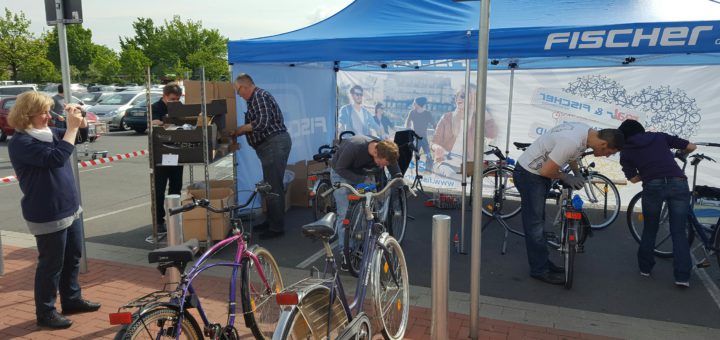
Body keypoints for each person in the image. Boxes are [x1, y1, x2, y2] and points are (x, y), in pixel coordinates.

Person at [7, 91, 101, 329]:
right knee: (51, 265)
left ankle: (71, 299)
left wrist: (81, 121)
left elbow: (77, 139)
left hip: (70, 207)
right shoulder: (21, 142)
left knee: (73, 257)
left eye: (49, 111)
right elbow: (56, 158)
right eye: (44, 113)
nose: (49, 116)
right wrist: (70, 129)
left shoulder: (48, 133)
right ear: (27, 115)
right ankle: (45, 312)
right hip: (47, 211)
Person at [513, 121, 624, 285]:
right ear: (603, 144)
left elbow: (572, 156)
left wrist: (577, 173)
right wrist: (567, 177)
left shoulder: (585, 133)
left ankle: (542, 263)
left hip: (537, 174)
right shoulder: (571, 141)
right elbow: (547, 170)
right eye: (609, 152)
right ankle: (539, 270)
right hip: (530, 176)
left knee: (538, 222)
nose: (607, 156)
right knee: (535, 225)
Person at [618, 119, 696, 287]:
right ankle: (682, 277)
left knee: (650, 228)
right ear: (641, 129)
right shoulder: (659, 137)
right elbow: (691, 146)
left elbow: (632, 178)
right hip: (678, 182)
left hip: (652, 186)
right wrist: (679, 154)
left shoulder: (626, 150)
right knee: (679, 232)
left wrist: (647, 173)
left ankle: (645, 268)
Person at [232, 73, 292, 240]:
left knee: (273, 187)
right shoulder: (257, 98)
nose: (239, 95)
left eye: (238, 91)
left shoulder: (259, 96)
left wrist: (240, 130)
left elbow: (261, 123)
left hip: (273, 144)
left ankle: (276, 227)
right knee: (270, 186)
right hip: (271, 145)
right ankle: (271, 221)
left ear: (244, 87)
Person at [330, 135, 401, 270]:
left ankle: (362, 242)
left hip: (361, 174)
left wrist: (398, 177)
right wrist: (361, 180)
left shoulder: (383, 148)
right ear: (375, 153)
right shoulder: (354, 147)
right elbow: (340, 168)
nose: (381, 166)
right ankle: (345, 251)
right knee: (344, 212)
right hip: (340, 173)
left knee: (366, 208)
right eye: (381, 163)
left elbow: (392, 163)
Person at [431, 86, 497, 177]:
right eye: (456, 96)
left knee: (475, 184)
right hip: (445, 162)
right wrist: (437, 147)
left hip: (469, 165)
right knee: (452, 176)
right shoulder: (447, 117)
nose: (458, 98)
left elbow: (492, 134)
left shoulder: (476, 120)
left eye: (462, 96)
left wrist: (480, 107)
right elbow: (434, 142)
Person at [147, 83, 184, 244]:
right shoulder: (156, 107)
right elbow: (153, 122)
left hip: (176, 152)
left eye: (177, 99)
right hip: (160, 155)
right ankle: (159, 221)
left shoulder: (179, 106)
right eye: (172, 99)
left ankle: (174, 217)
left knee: (176, 186)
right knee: (159, 189)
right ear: (165, 96)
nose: (174, 102)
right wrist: (163, 123)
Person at [404, 96, 434, 170]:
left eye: (415, 103)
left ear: (419, 104)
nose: (413, 104)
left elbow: (434, 125)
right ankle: (415, 170)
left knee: (428, 155)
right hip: (415, 138)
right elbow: (407, 124)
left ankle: (428, 169)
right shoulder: (412, 112)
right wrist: (408, 131)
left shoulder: (428, 114)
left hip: (424, 138)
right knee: (416, 155)